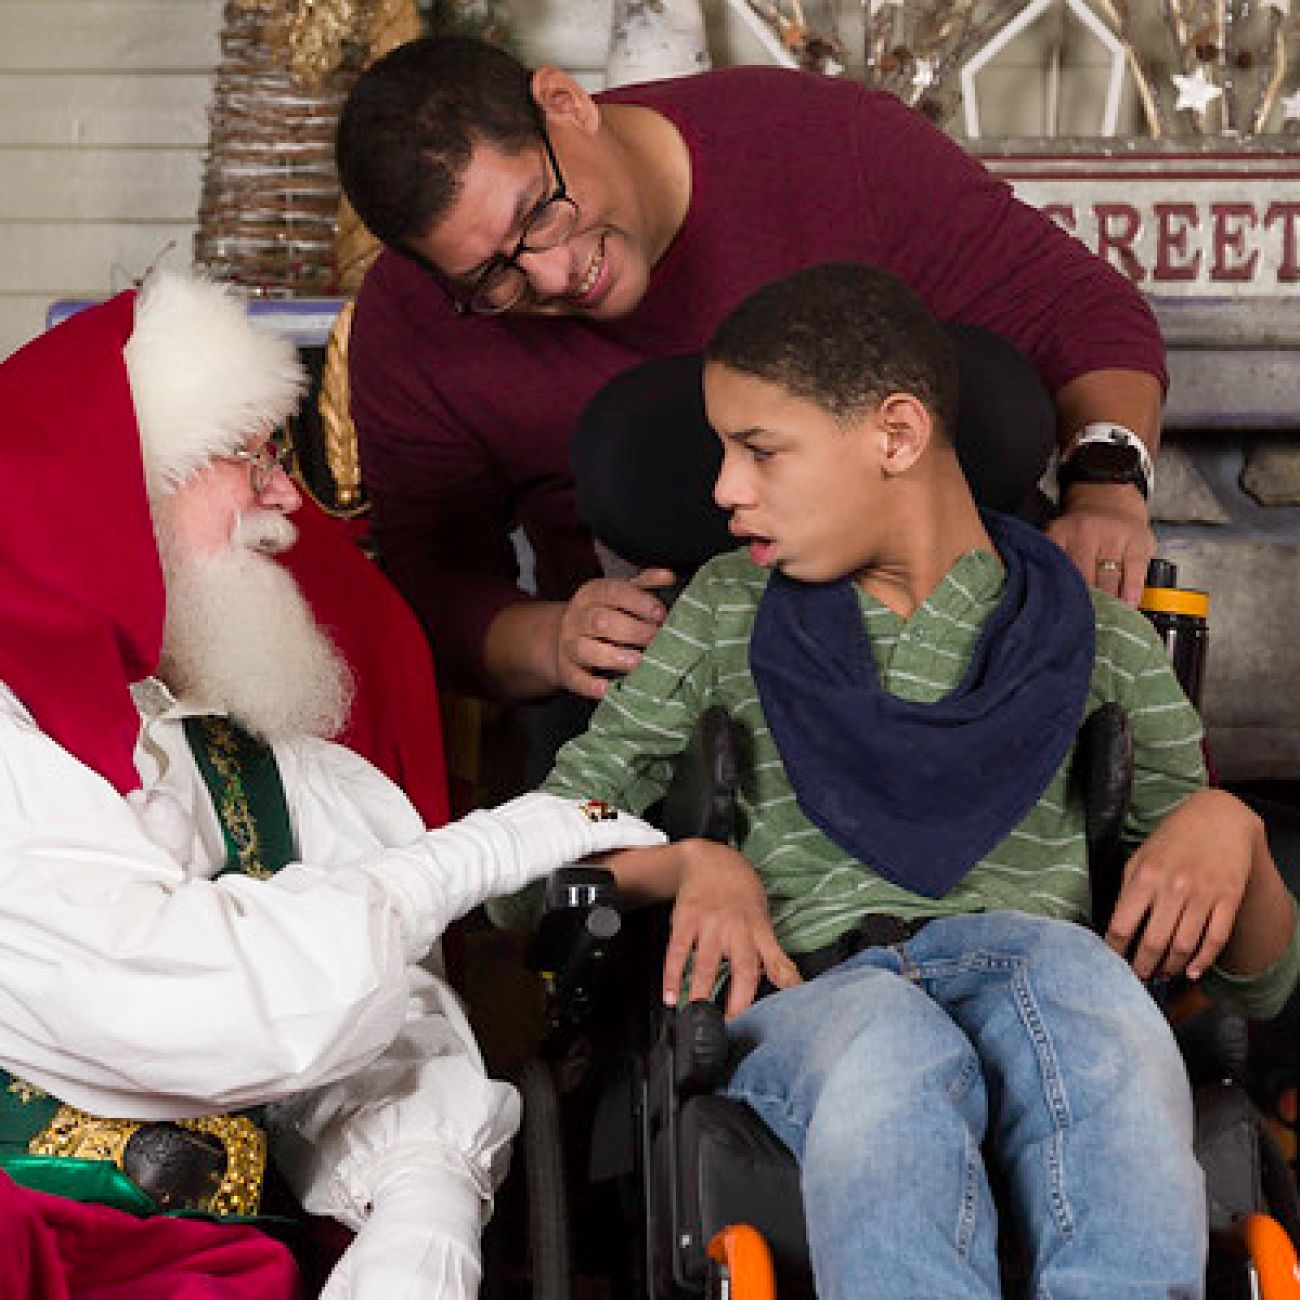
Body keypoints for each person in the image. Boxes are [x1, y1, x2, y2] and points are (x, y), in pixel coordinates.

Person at [534, 264, 1300, 1299]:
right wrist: (686, 861)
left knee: (1086, 1004)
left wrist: (1229, 827)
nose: (721, 488)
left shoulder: (1101, 646)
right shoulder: (721, 614)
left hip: (1042, 968)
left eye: (758, 448)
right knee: (893, 1050)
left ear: (896, 435)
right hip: (817, 992)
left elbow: (1266, 982)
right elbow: (524, 860)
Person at [0, 269, 664, 1299]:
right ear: (114, 488)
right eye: (246, 458)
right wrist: (469, 854)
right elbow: (186, 1001)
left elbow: (393, 1036)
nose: (282, 499)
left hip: (216, 1267)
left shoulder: (276, 764)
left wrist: (424, 1206)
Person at [336, 35, 1165, 712]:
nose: (550, 277)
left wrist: (1107, 487)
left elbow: (1074, 308)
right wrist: (552, 639)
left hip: (978, 660)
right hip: (670, 700)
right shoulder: (413, 324)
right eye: (493, 277)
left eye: (540, 215)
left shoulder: (819, 140)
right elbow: (433, 581)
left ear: (566, 104)